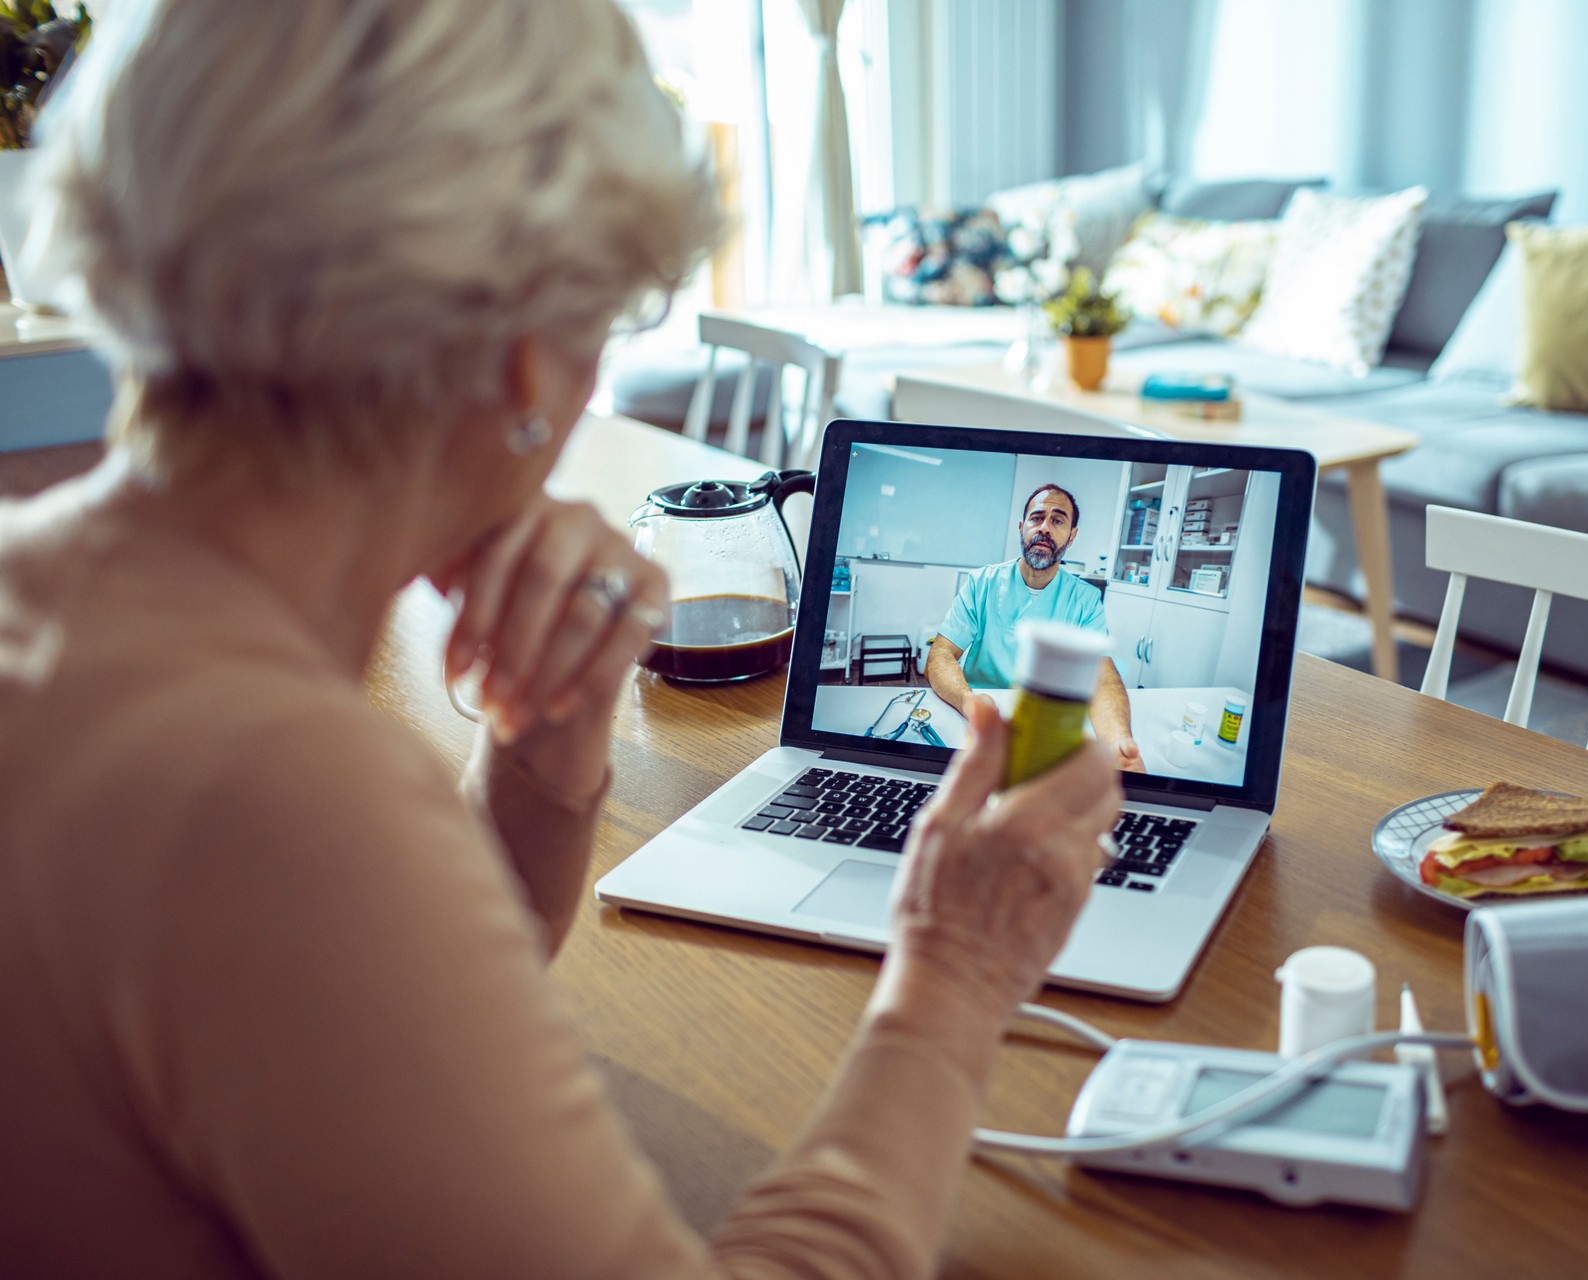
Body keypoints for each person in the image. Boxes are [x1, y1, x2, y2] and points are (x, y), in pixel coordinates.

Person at [0, 3, 1121, 1278]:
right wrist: (954, 972)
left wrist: (538, 762)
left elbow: (377, 1031)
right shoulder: (270, 794)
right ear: (530, 361)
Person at [927, 483, 1146, 771]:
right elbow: (941, 655)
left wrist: (1117, 742)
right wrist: (970, 703)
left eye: (1057, 520)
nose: (1044, 527)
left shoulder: (1085, 600)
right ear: (1022, 527)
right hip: (975, 720)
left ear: (1072, 535)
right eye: (1036, 517)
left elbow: (1101, 675)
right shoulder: (982, 583)